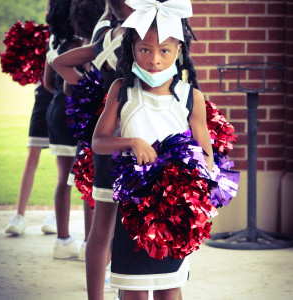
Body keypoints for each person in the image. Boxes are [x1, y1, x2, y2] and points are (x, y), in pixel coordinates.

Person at [91, 0, 214, 299]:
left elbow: (206, 153)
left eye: (164, 51)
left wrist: (200, 194)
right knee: (132, 290)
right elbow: (99, 142)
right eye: (145, 49)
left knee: (170, 289)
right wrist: (132, 142)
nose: (154, 60)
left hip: (173, 214)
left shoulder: (191, 97)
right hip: (131, 209)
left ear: (179, 52)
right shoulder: (121, 90)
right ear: (131, 49)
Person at [51, 0, 133, 291]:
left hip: (106, 143)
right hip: (132, 145)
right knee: (130, 229)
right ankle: (128, 288)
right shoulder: (140, 36)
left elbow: (59, 64)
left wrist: (93, 94)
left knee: (101, 231)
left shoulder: (106, 39)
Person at [5, 1, 57, 237]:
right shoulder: (42, 37)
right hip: (43, 99)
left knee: (62, 161)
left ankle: (56, 216)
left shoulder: (73, 36)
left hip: (62, 103)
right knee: (32, 156)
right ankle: (20, 215)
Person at [67, 0, 105, 262]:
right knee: (101, 209)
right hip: (104, 129)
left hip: (96, 127)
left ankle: (85, 243)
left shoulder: (101, 32)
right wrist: (91, 90)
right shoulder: (107, 35)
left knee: (94, 198)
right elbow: (60, 65)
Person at [44, 0, 81, 259]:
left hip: (55, 111)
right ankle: (91, 243)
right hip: (74, 116)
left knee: (63, 180)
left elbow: (47, 82)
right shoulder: (81, 45)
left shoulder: (53, 42)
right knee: (90, 179)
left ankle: (63, 240)